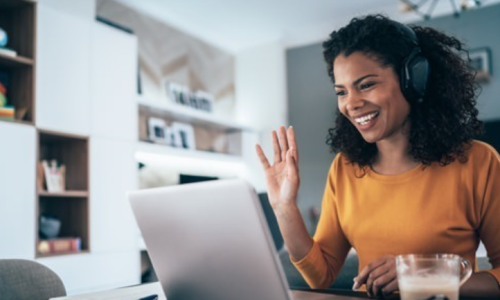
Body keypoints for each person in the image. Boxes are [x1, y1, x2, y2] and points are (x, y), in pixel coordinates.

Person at [255, 14, 500, 298]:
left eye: (367, 84)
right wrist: (285, 208)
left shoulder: (478, 163)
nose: (352, 104)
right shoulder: (344, 168)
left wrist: (426, 278)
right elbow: (320, 277)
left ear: (414, 80)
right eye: (341, 91)